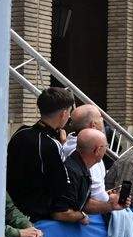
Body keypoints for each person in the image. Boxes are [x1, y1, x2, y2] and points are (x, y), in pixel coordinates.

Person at [6, 87, 81, 222]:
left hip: (11, 209)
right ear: (63, 114)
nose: (69, 116)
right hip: (37, 217)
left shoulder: (20, 133)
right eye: (69, 112)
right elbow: (60, 185)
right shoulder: (50, 143)